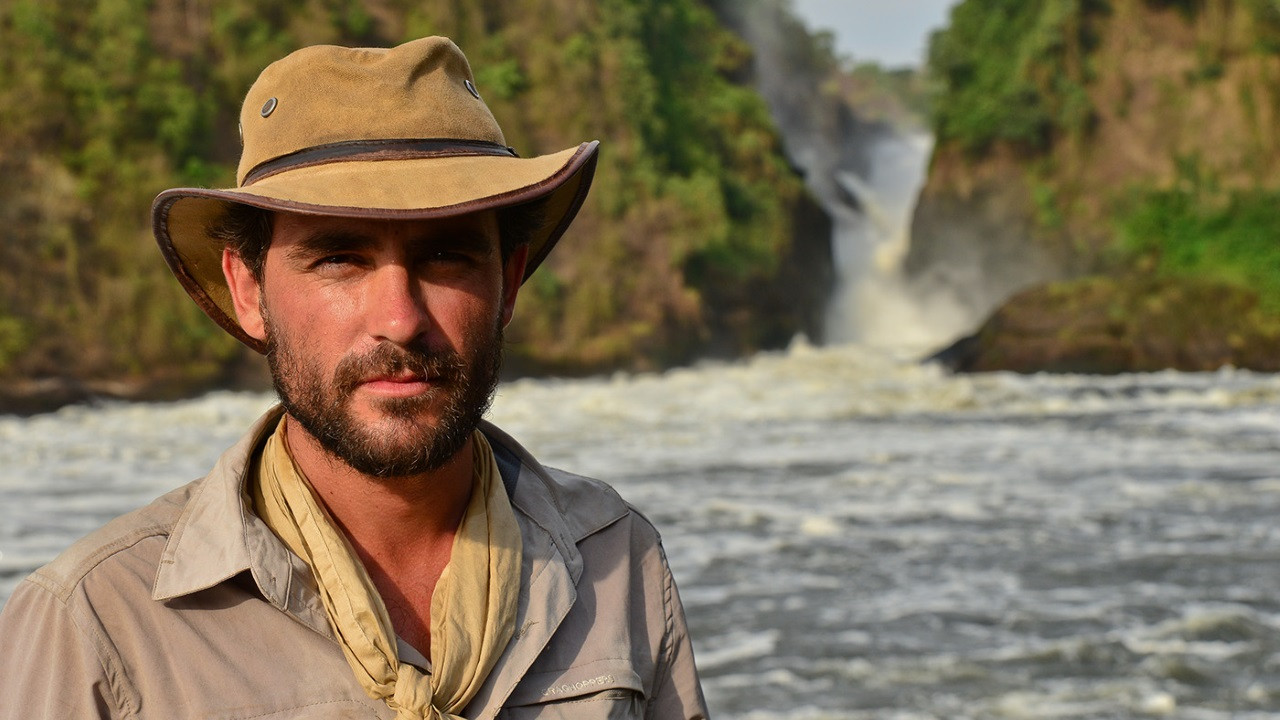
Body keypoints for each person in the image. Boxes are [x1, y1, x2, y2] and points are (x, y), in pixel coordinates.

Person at [0, 37, 708, 720]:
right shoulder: (96, 626)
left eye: (447, 256)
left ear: (510, 282)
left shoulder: (614, 561)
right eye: (339, 258)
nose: (400, 320)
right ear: (249, 292)